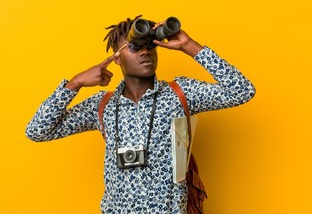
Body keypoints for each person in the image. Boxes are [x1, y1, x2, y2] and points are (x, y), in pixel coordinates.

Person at [26, 15, 256, 214]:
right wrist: (74, 84)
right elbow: (37, 131)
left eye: (151, 46)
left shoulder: (181, 93)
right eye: (135, 47)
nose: (145, 52)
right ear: (117, 58)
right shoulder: (102, 105)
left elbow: (242, 91)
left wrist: (189, 46)